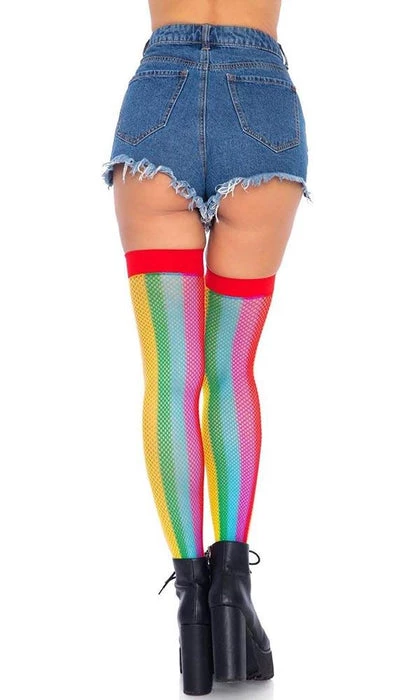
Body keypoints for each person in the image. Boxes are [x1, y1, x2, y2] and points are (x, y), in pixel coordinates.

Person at [101, 1, 311, 694]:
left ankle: (194, 601)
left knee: (171, 374)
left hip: (158, 101)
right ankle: (233, 590)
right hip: (263, 107)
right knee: (231, 368)